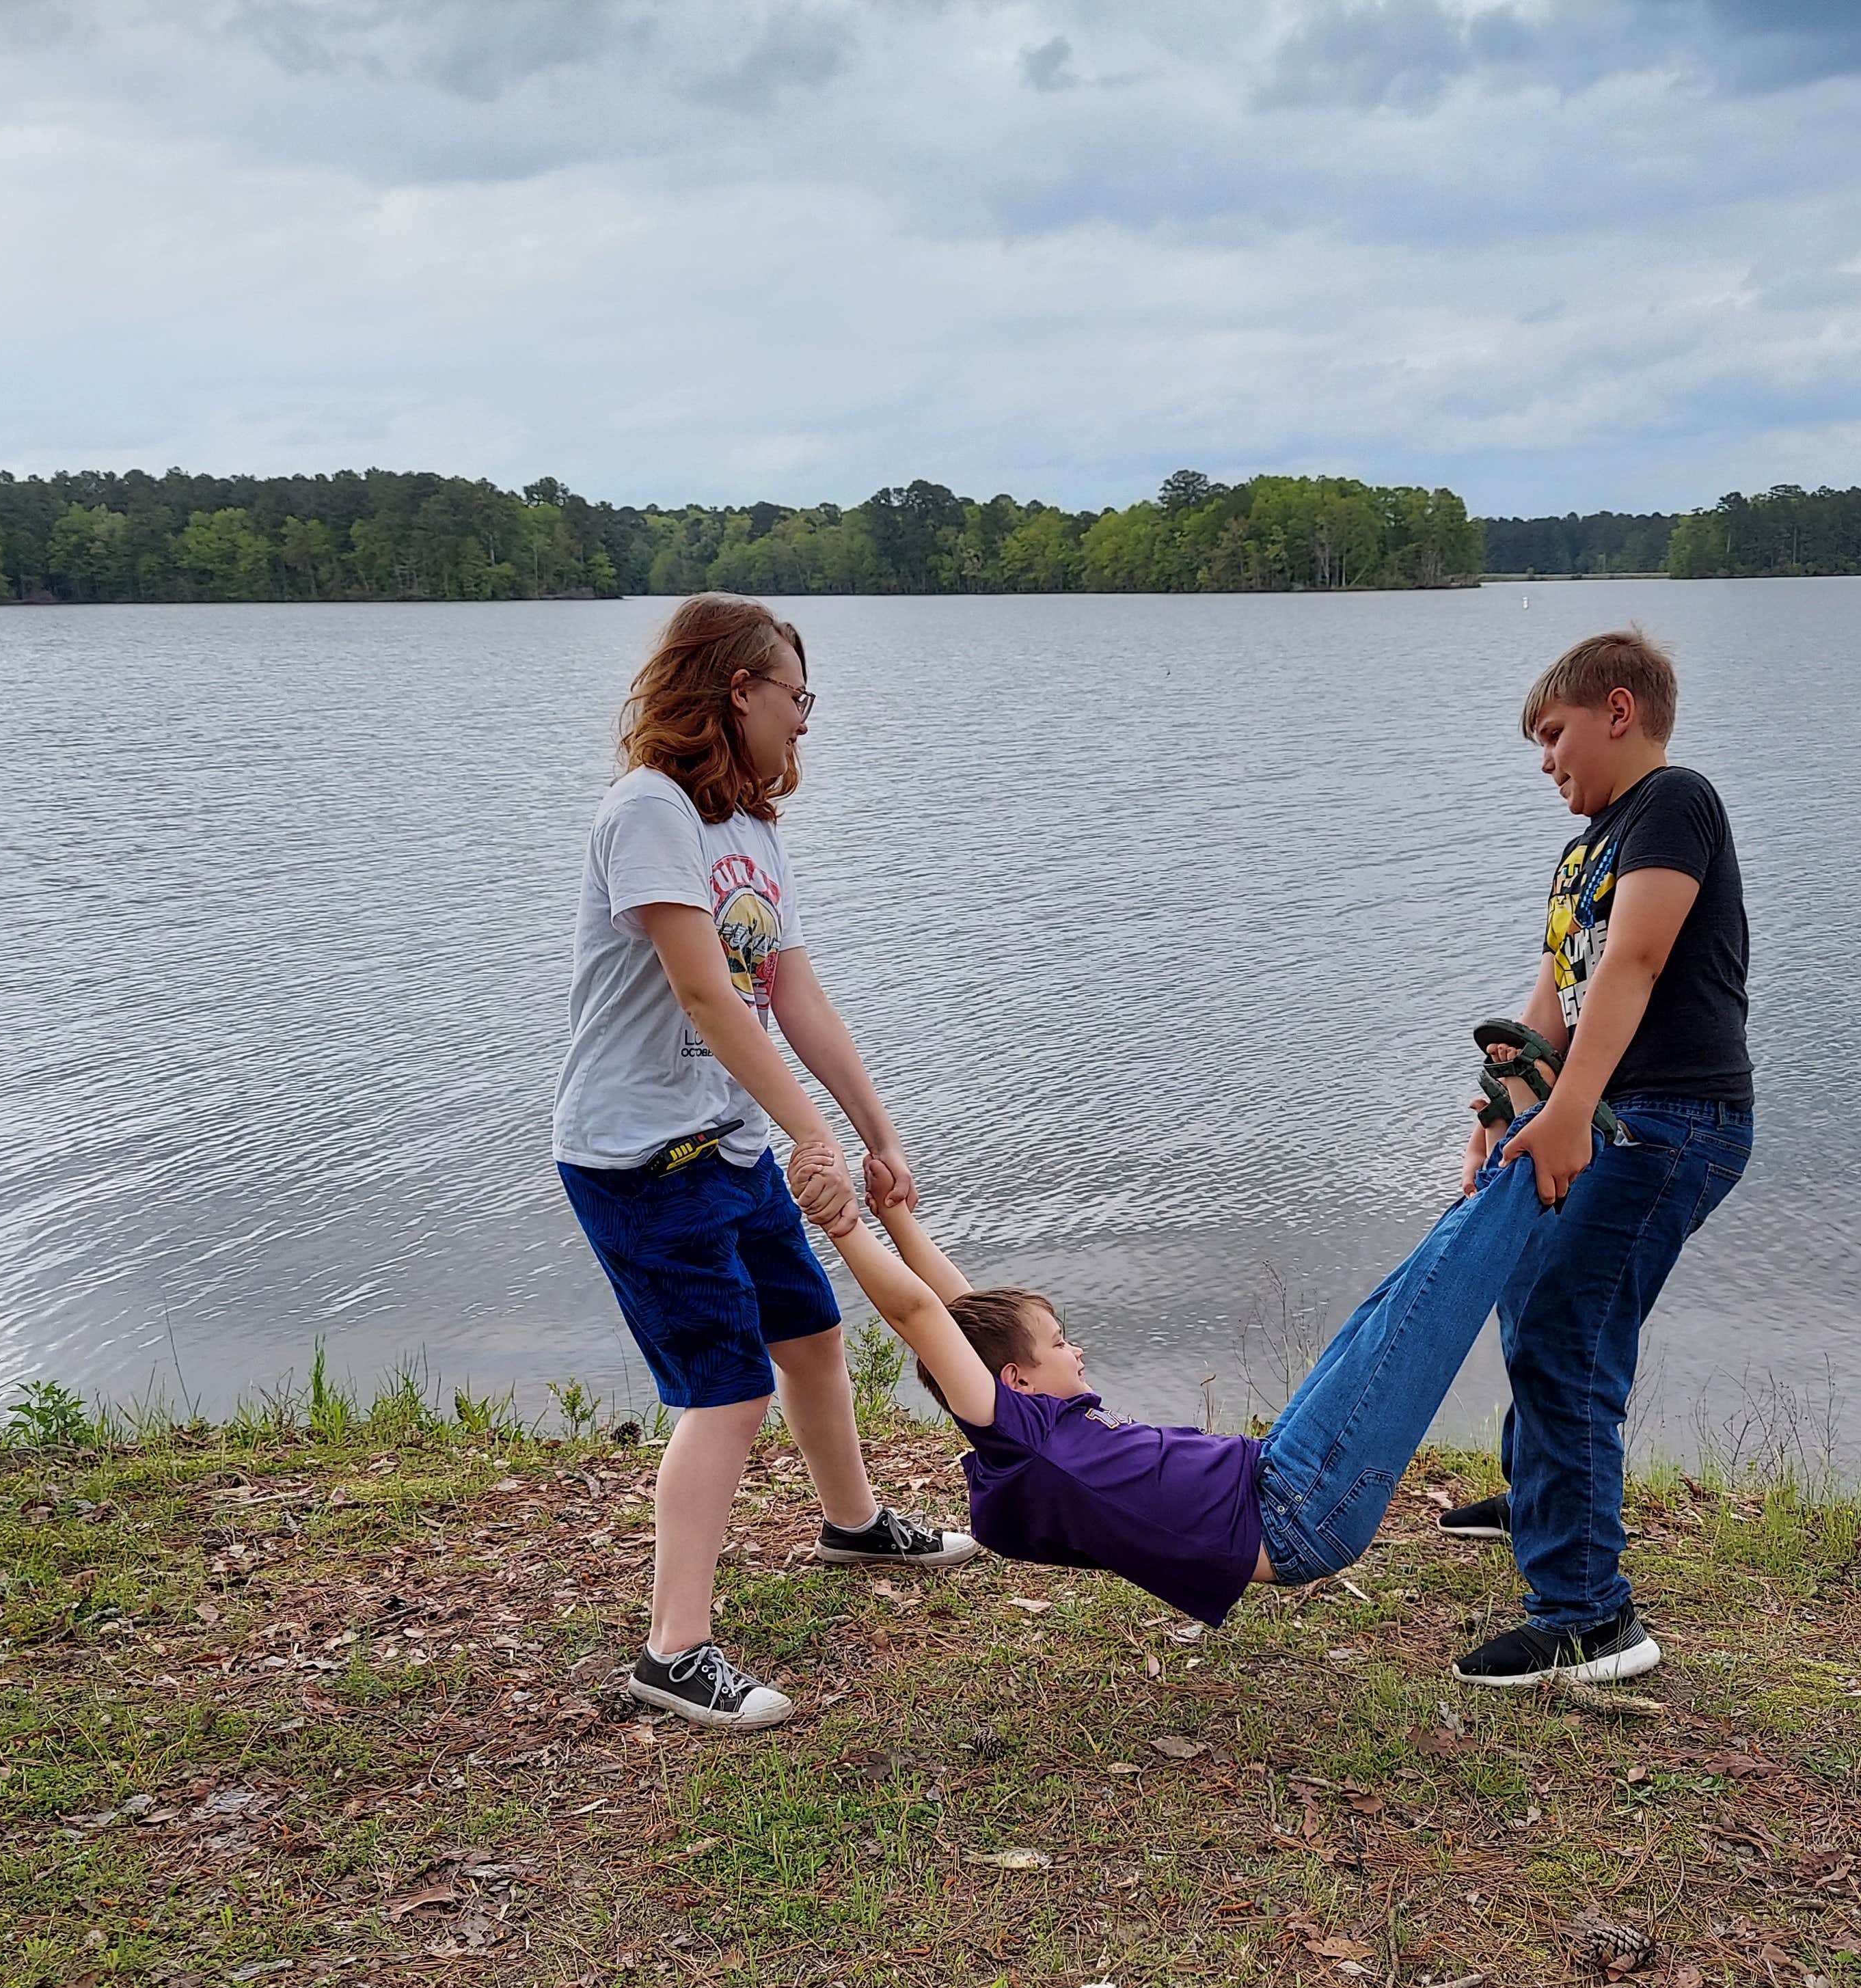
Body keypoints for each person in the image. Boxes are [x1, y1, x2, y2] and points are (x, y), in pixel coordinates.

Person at [551, 594, 977, 1732]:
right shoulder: (649, 811)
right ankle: (672, 1648)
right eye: (796, 695)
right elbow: (702, 991)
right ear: (737, 690)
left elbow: (790, 991)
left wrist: (873, 1127)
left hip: (727, 1141)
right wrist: (809, 1132)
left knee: (812, 1335)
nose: (806, 718)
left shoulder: (748, 827)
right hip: (641, 1155)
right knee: (727, 1387)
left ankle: (853, 1525)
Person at [810, 1143, 1556, 1626]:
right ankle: (1536, 1153)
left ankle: (1506, 1160)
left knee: (1385, 1318)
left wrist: (895, 1215)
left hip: (1276, 1474)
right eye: (1060, 1344)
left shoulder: (1027, 1418)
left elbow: (958, 1309)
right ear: (1017, 1381)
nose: (1077, 1351)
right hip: (1297, 1514)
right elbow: (919, 1316)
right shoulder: (1020, 1438)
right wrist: (845, 1227)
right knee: (1417, 1325)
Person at [1437, 627, 1754, 1689]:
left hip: (1671, 1120)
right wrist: (1506, 1109)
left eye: (1553, 734)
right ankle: (1546, 1492)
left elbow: (1638, 958)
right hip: (1609, 1114)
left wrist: (1572, 1109)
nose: (1545, 762)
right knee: (1529, 1290)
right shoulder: (1586, 850)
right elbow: (1555, 996)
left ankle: (1590, 1617)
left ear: (1618, 711)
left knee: (1569, 1328)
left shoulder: (1674, 802)